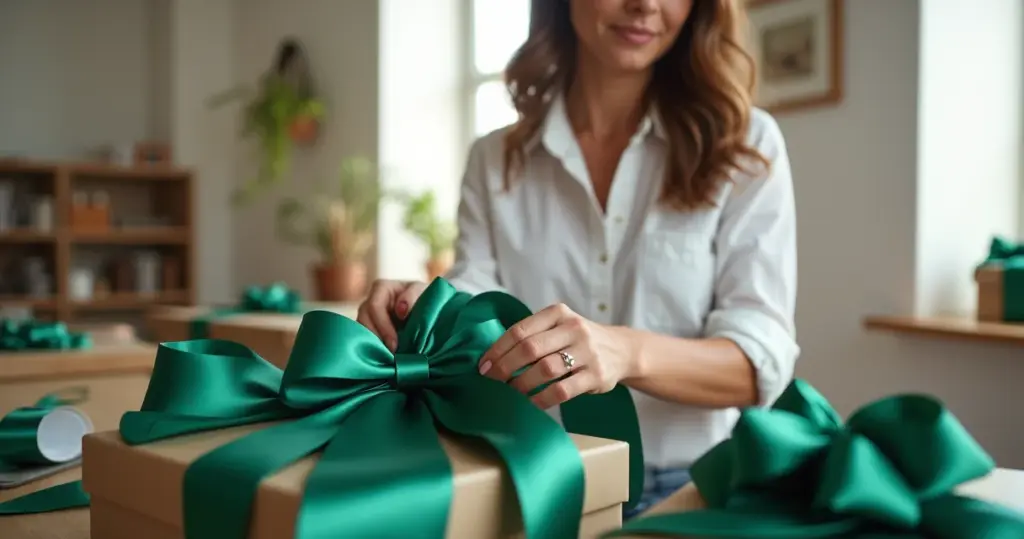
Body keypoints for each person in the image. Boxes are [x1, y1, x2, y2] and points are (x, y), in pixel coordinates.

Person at [356, 0, 798, 517]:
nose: (646, 5)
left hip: (686, 488)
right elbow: (473, 300)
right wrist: (422, 307)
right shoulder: (494, 159)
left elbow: (759, 361)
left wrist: (625, 352)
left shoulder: (745, 145)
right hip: (524, 473)